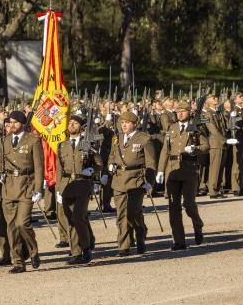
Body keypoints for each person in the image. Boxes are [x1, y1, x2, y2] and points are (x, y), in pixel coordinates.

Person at [0, 111, 43, 273]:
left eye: (16, 122)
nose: (12, 125)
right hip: (8, 187)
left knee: (23, 223)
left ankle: (33, 251)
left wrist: (38, 189)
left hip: (26, 186)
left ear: (22, 124)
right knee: (11, 227)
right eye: (10, 122)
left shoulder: (33, 140)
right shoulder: (4, 140)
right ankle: (18, 262)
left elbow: (38, 166)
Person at [156, 101, 207, 251]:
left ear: (190, 112)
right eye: (178, 111)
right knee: (173, 207)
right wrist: (160, 170)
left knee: (189, 205)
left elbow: (206, 146)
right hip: (172, 170)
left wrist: (195, 149)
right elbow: (165, 150)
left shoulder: (196, 128)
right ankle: (179, 241)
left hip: (189, 169)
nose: (180, 113)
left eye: (183, 111)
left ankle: (198, 225)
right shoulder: (172, 128)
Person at [55, 113, 103, 265]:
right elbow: (59, 169)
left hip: (82, 183)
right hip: (67, 184)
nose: (71, 126)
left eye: (75, 124)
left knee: (78, 216)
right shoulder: (63, 145)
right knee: (70, 218)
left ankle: (86, 248)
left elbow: (99, 164)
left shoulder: (87, 143)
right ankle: (76, 252)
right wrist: (58, 188)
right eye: (70, 123)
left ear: (81, 127)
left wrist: (92, 171)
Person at [108, 111, 157, 256]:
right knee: (121, 215)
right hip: (119, 179)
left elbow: (151, 162)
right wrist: (110, 165)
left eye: (127, 122)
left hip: (136, 180)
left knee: (133, 213)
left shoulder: (144, 139)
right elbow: (112, 155)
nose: (124, 125)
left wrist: (149, 182)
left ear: (135, 124)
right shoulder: (117, 138)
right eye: (122, 122)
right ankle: (124, 246)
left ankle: (141, 234)